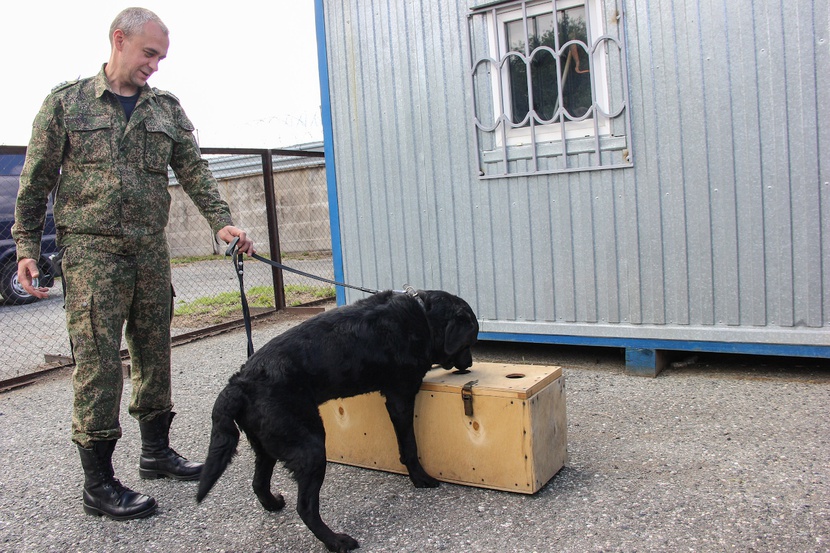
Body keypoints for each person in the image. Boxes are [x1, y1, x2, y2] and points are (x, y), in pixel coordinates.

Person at [13, 7, 255, 521]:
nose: (155, 65)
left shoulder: (164, 108)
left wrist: (221, 222)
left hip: (149, 250)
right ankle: (98, 484)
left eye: (161, 57)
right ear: (119, 40)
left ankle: (155, 453)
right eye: (149, 53)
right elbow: (35, 182)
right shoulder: (66, 103)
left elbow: (194, 170)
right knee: (99, 365)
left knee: (154, 352)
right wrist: (27, 248)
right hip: (92, 253)